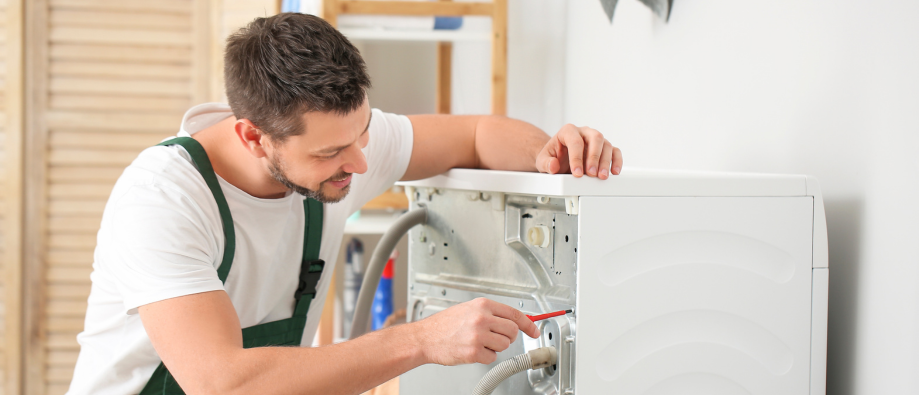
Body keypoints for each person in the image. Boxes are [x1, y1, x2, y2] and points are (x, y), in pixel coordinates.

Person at [66, 13, 623, 395]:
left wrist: (551, 154)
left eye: (361, 133)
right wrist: (422, 340)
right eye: (333, 150)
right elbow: (224, 382)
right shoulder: (163, 201)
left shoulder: (342, 145)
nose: (360, 163)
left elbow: (478, 133)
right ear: (253, 137)